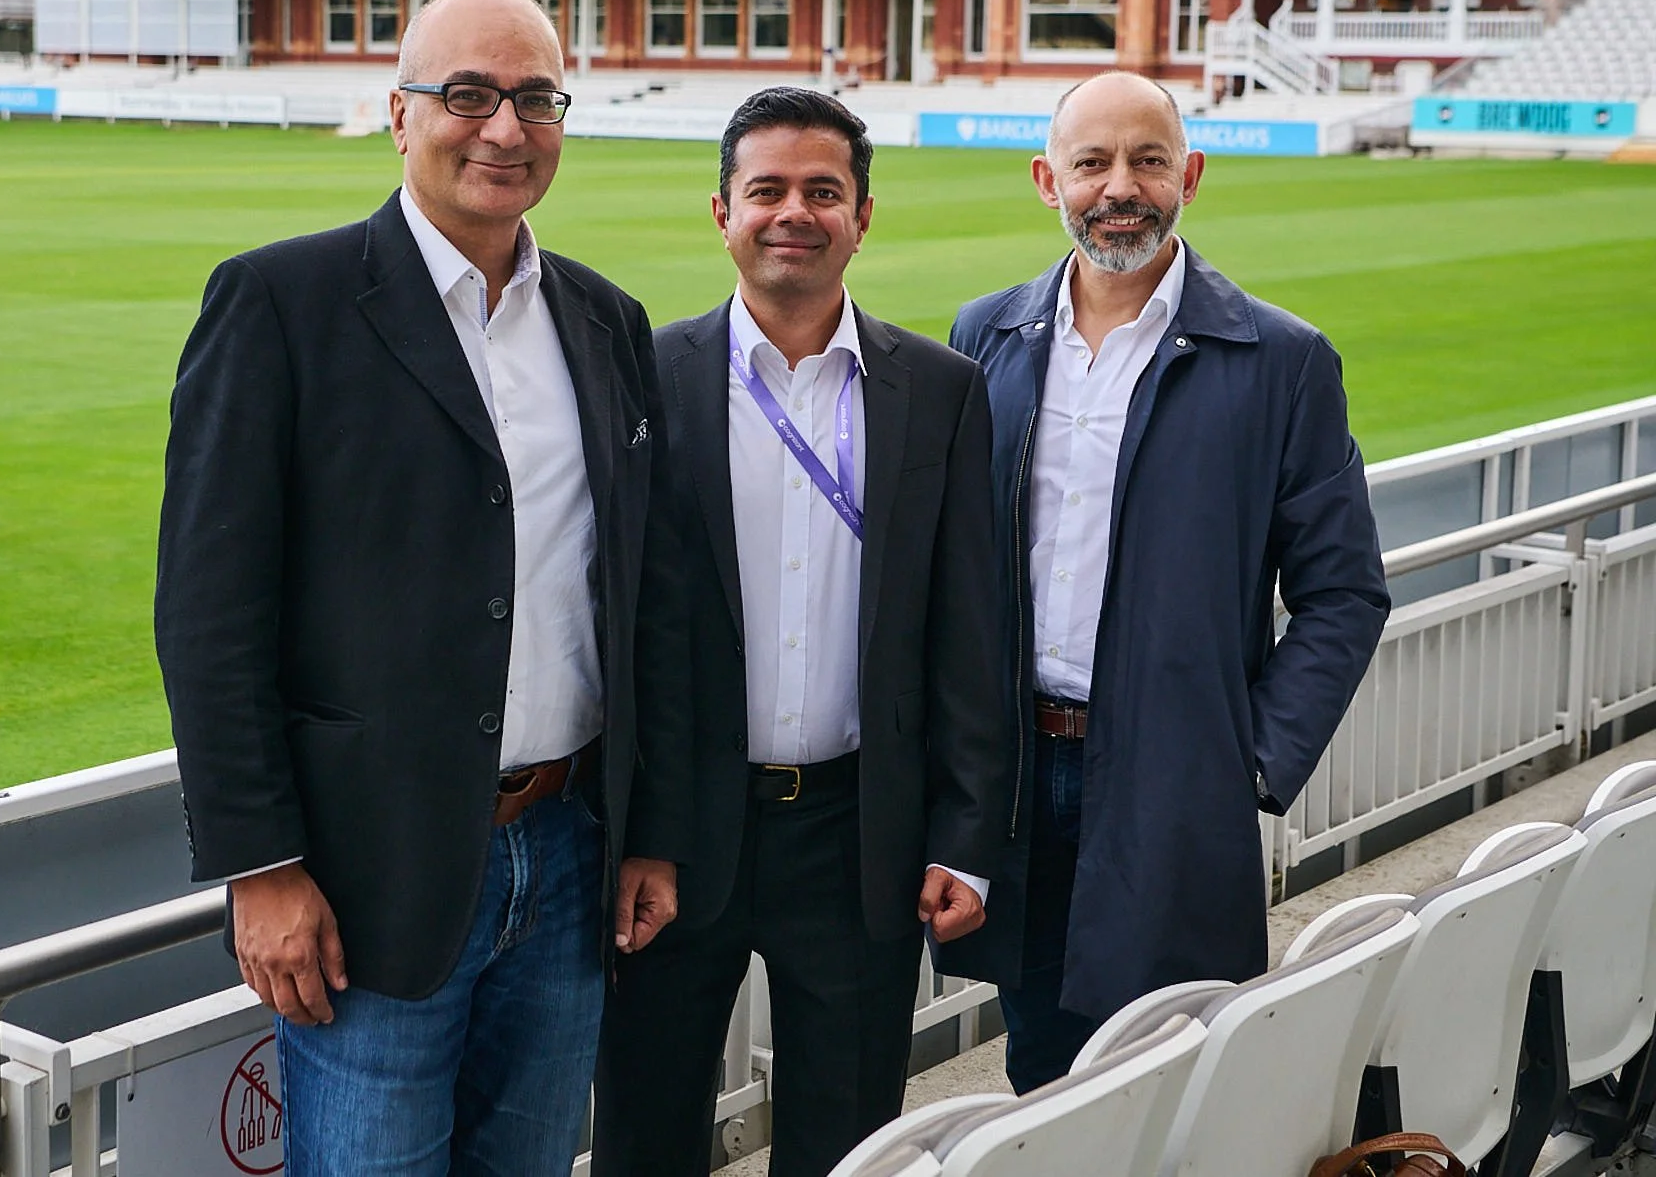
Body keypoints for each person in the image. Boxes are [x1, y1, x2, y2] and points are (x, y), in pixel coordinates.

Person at [153, 0, 681, 1176]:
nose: (503, 127)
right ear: (399, 115)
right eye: (468, 95)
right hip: (362, 879)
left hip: (564, 858)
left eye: (534, 99)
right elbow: (206, 613)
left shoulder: (604, 322)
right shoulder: (279, 303)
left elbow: (641, 599)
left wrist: (645, 834)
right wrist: (262, 867)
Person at [939, 71, 1389, 1093]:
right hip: (1018, 779)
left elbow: (1343, 593)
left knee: (1178, 1071)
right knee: (1041, 1072)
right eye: (1090, 162)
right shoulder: (984, 337)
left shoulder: (1280, 360)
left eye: (1146, 160)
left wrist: (1251, 763)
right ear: (1044, 179)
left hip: (1173, 782)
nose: (1118, 187)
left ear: (1187, 173)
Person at [592, 87, 1011, 1177]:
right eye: (766, 189)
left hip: (856, 828)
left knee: (848, 1132)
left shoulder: (939, 389)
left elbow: (969, 628)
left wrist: (964, 832)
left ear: (862, 216)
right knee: (644, 1124)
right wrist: (632, 824)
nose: (794, 212)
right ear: (720, 212)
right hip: (678, 833)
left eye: (822, 191)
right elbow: (618, 618)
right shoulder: (644, 376)